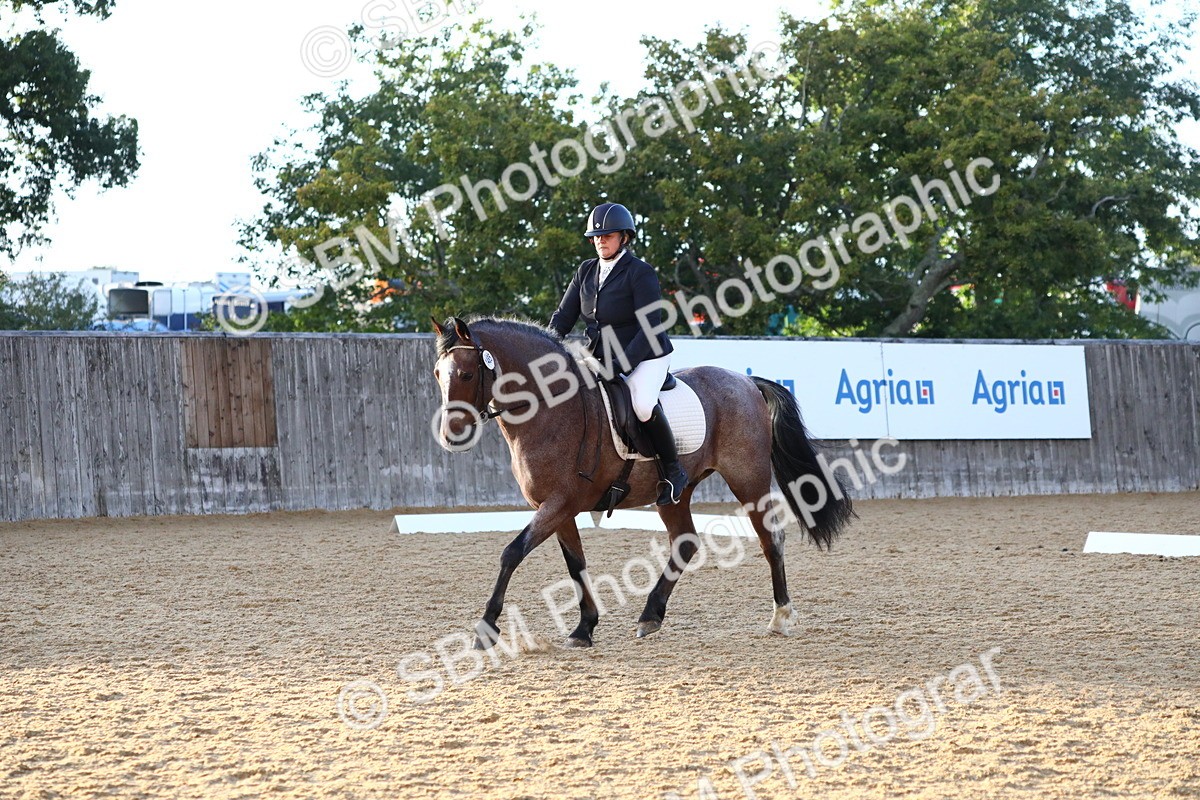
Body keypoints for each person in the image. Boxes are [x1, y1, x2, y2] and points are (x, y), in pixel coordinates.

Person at [549, 202, 688, 505]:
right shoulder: (585, 271)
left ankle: (674, 471)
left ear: (624, 237)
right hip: (598, 355)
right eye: (596, 236)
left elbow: (650, 324)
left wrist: (621, 365)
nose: (600, 240)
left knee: (642, 405)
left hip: (646, 353)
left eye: (608, 235)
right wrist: (546, 347)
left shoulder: (640, 273)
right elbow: (563, 317)